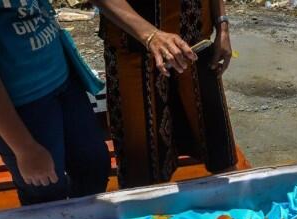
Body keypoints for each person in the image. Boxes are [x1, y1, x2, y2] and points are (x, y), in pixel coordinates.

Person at [0, 0, 111, 206]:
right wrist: (24, 147)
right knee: (45, 188)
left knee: (93, 165)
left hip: (59, 76)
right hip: (16, 101)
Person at [96, 0, 238, 188]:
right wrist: (150, 35)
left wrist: (222, 26)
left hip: (195, 47)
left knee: (221, 157)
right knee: (142, 172)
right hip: (133, 53)